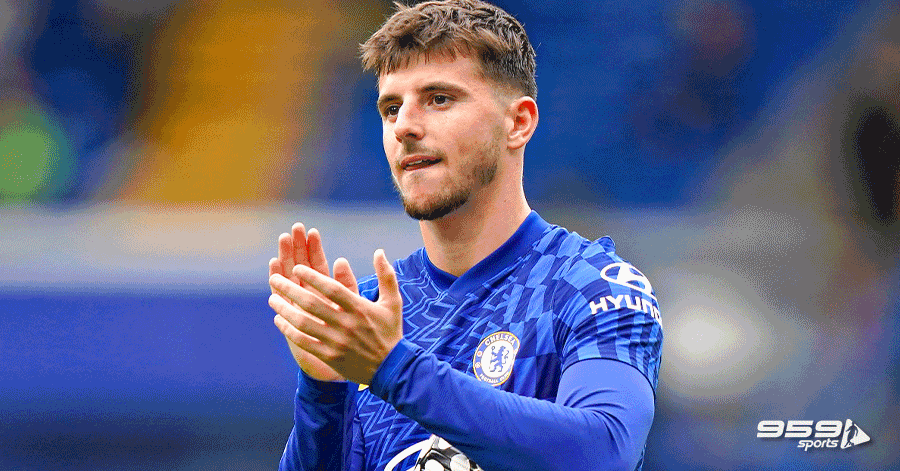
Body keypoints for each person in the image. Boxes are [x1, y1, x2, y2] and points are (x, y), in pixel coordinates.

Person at [267, 1, 663, 470]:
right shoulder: (369, 317)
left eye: (439, 99)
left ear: (518, 123)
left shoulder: (590, 287)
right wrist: (323, 390)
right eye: (391, 108)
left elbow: (604, 452)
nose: (405, 126)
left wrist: (394, 367)